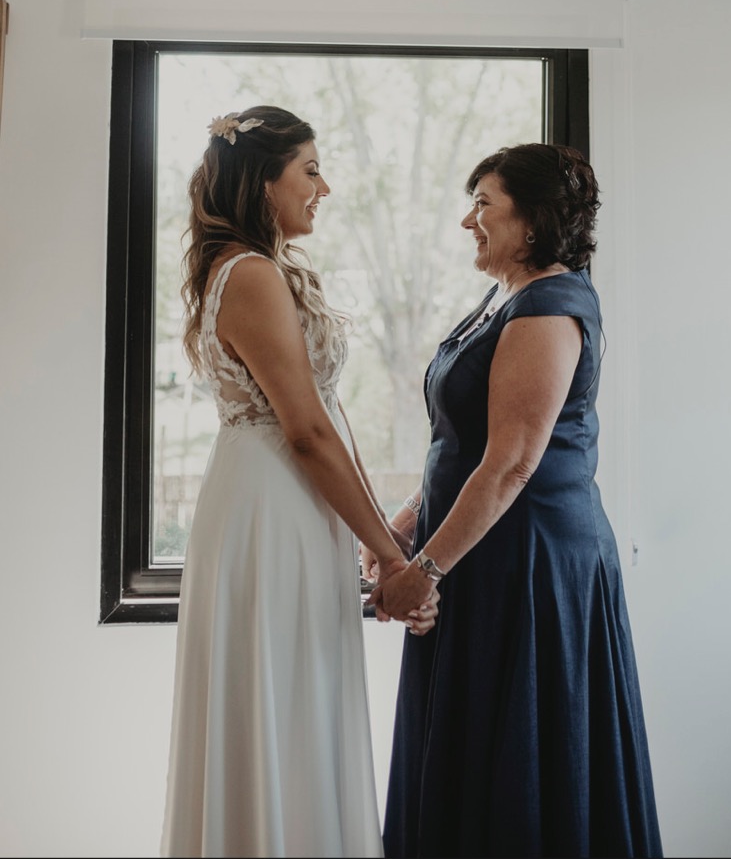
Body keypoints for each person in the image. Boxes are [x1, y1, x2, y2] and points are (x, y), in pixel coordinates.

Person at [371, 142, 662, 857]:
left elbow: (511, 462)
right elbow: (462, 442)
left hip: (530, 567)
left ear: (532, 221)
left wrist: (424, 571)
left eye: (483, 205)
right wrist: (404, 522)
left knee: (524, 768)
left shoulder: (550, 305)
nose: (468, 221)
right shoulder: (504, 297)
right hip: (478, 555)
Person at [161, 105, 435, 857]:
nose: (325, 188)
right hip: (270, 510)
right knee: (281, 697)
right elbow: (307, 431)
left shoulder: (263, 269)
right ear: (263, 181)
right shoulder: (249, 275)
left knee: (299, 698)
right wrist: (394, 559)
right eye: (310, 170)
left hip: (290, 503)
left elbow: (330, 417)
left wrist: (377, 539)